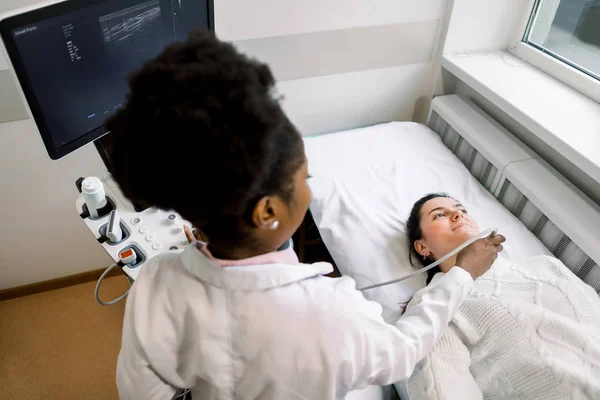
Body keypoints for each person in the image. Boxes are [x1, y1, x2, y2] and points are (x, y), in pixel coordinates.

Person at [107, 31, 505, 400]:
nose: (310, 189)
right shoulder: (332, 312)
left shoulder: (156, 281)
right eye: (303, 177)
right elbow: (402, 352)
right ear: (268, 212)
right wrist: (461, 275)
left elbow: (140, 393)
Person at [405, 193, 600, 399]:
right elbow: (443, 390)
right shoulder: (435, 301)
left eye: (462, 210)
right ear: (422, 247)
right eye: (439, 215)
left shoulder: (546, 265)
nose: (457, 215)